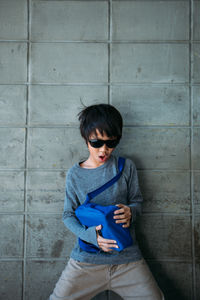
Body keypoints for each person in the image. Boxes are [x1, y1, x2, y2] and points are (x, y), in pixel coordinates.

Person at [49, 104, 164, 300]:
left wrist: (131, 212)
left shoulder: (126, 166)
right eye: (96, 143)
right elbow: (68, 215)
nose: (104, 150)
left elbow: (137, 201)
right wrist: (92, 237)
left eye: (110, 143)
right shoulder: (75, 174)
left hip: (127, 260)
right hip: (86, 262)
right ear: (86, 138)